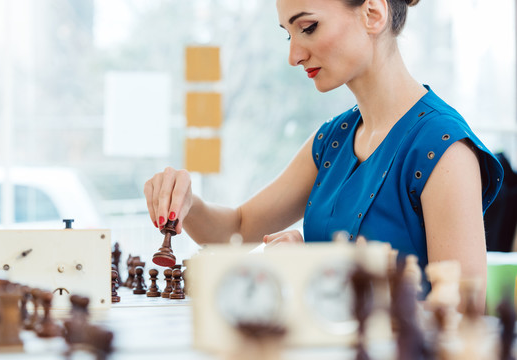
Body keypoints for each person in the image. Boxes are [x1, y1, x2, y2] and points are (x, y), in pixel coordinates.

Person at [144, 0, 503, 307]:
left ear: (372, 14)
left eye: (309, 27)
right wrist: (187, 202)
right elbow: (237, 230)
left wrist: (314, 271)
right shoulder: (333, 140)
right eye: (289, 33)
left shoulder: (443, 149)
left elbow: (462, 316)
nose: (293, 55)